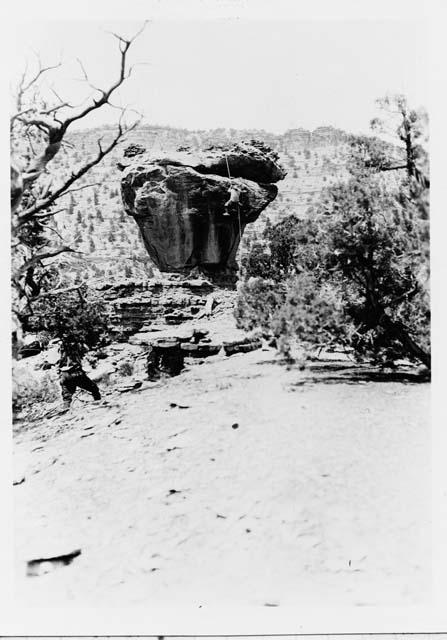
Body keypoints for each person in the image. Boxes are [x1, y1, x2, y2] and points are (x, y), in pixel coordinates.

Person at [58, 342, 101, 407]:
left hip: (64, 375)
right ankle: (99, 404)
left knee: (67, 397)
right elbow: (88, 354)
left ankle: (65, 411)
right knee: (94, 389)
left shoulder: (60, 352)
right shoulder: (77, 348)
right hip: (76, 373)